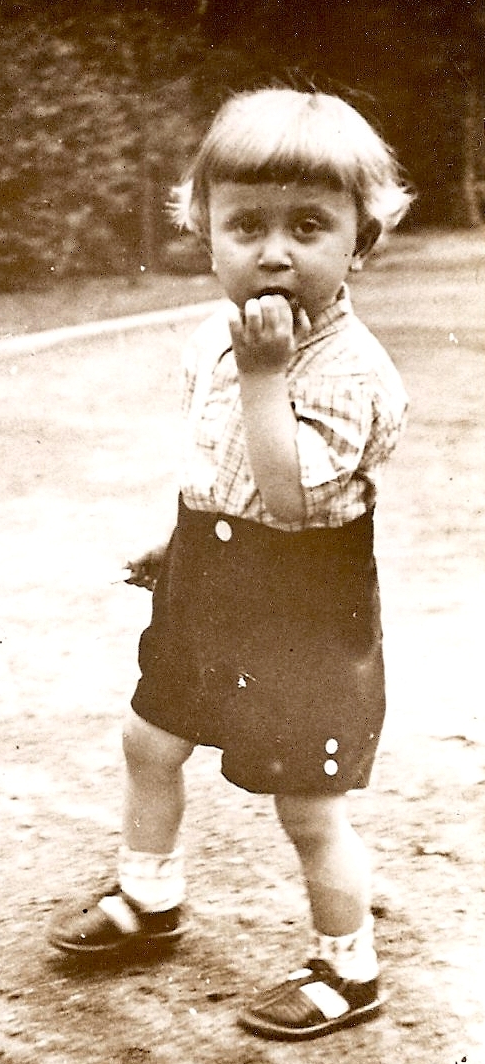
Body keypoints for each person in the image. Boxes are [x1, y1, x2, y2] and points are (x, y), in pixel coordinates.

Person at [49, 86, 413, 1042]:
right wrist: (182, 539)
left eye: (309, 226)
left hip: (303, 605)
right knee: (150, 739)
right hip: (210, 578)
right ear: (204, 234)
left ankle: (348, 966)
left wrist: (265, 378)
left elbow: (292, 505)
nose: (275, 252)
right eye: (246, 224)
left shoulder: (351, 370)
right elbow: (228, 470)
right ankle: (150, 895)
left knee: (307, 803)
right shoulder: (216, 337)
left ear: (360, 243)